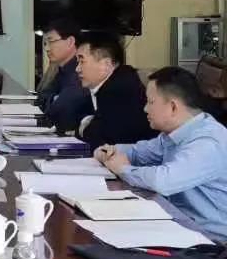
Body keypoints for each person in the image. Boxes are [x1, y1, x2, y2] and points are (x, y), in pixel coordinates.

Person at [95, 67, 227, 240]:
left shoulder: (208, 142)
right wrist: (107, 151)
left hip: (213, 243)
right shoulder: (173, 134)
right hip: (180, 227)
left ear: (173, 107)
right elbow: (137, 152)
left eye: (150, 102)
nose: (145, 109)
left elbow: (163, 181)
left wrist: (123, 169)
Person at [75, 31, 155, 148]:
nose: (77, 69)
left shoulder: (119, 90)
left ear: (106, 64)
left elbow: (101, 140)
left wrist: (84, 128)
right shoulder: (119, 79)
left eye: (82, 61)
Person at [36, 19, 89, 132]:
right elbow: (41, 98)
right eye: (45, 43)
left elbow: (59, 110)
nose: (47, 48)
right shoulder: (61, 69)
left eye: (51, 41)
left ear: (70, 42)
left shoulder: (80, 72)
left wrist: (52, 101)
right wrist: (53, 99)